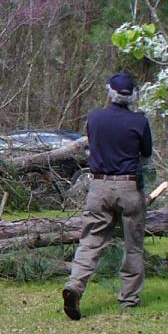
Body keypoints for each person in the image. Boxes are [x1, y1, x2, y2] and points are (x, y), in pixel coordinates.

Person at [62, 72, 154, 320]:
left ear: (109, 92)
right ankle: (129, 300)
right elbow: (146, 154)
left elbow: (93, 145)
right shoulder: (140, 121)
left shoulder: (94, 118)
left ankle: (75, 285)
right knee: (133, 246)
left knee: (91, 240)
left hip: (99, 187)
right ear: (133, 95)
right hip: (129, 187)